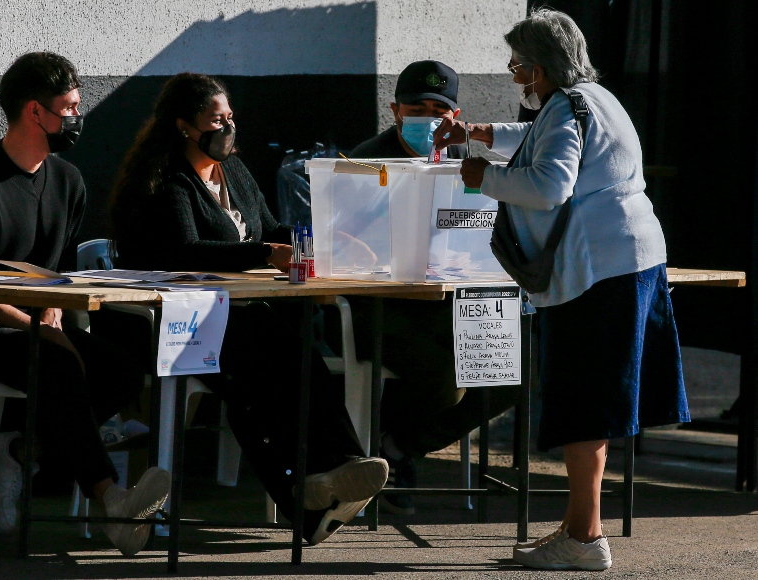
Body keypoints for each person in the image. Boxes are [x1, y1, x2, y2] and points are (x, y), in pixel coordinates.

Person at [433, 8, 687, 571]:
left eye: (519, 66)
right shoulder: (595, 99)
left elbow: (549, 185)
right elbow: (538, 136)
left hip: (599, 269)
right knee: (591, 405)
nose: (517, 76)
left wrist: (483, 177)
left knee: (583, 404)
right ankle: (582, 529)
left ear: (541, 67)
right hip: (631, 259)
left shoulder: (567, 106)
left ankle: (586, 538)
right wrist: (479, 133)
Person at [109, 72, 390, 545]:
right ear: (183, 126)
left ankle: (326, 479)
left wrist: (318, 242)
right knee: (272, 358)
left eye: (230, 117)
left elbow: (270, 227)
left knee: (271, 374)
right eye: (215, 120)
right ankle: (324, 476)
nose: (226, 128)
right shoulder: (167, 180)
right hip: (185, 322)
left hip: (244, 317)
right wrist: (262, 253)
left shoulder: (234, 172)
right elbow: (185, 251)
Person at [0, 52, 168, 557]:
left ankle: (17, 449)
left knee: (120, 371)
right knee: (57, 361)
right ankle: (112, 500)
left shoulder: (67, 182)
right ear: (36, 112)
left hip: (38, 324)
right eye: (70, 108)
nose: (77, 118)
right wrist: (44, 331)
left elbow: (52, 276)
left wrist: (52, 318)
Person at [348, 60, 520, 517]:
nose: (428, 118)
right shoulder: (368, 160)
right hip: (380, 306)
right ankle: (386, 454)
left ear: (456, 116)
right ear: (395, 109)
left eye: (438, 110)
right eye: (415, 107)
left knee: (516, 367)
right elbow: (341, 241)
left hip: (452, 303)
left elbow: (489, 228)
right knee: (443, 372)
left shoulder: (471, 162)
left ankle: (400, 446)